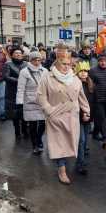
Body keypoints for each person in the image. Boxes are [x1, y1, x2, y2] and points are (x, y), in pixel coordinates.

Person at [37, 47, 90, 184]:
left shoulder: (75, 79)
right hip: (55, 116)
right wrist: (49, 111)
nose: (67, 67)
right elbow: (41, 97)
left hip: (72, 116)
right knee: (59, 144)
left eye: (69, 64)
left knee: (72, 142)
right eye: (63, 64)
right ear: (56, 63)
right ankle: (62, 170)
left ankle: (72, 164)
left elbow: (81, 97)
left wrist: (86, 111)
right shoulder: (47, 77)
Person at [16, 51, 48, 154]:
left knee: (43, 123)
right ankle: (35, 145)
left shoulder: (45, 71)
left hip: (42, 101)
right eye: (35, 60)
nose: (37, 62)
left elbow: (48, 87)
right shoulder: (24, 72)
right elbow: (21, 88)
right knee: (33, 124)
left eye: (39, 60)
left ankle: (39, 139)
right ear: (30, 60)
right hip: (30, 101)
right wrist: (20, 103)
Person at [3, 47, 28, 139]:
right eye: (16, 53)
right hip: (12, 92)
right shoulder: (8, 64)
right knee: (15, 114)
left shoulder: (26, 64)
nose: (18, 54)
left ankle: (25, 130)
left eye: (20, 53)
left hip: (24, 91)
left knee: (24, 112)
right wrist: (20, 80)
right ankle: (17, 132)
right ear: (12, 55)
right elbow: (6, 76)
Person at [74, 61, 94, 175]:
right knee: (81, 140)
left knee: (85, 140)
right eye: (81, 71)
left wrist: (91, 115)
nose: (83, 73)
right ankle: (80, 164)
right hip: (78, 117)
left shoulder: (91, 85)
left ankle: (81, 160)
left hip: (88, 117)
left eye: (85, 71)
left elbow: (92, 102)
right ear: (77, 72)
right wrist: (83, 114)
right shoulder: (74, 85)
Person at [89, 54, 106, 145]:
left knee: (101, 118)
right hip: (97, 99)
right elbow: (90, 85)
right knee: (102, 118)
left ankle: (95, 133)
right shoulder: (93, 71)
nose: (103, 63)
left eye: (105, 61)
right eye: (101, 61)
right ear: (98, 62)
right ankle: (105, 138)